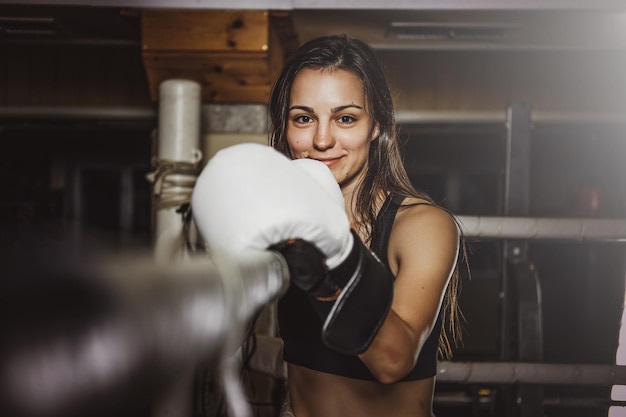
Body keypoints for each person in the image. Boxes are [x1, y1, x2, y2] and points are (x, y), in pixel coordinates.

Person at [267, 34, 463, 417]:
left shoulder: (423, 226)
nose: (322, 140)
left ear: (377, 126)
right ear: (285, 127)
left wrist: (330, 263)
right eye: (304, 118)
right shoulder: (283, 220)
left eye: (345, 118)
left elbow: (394, 362)